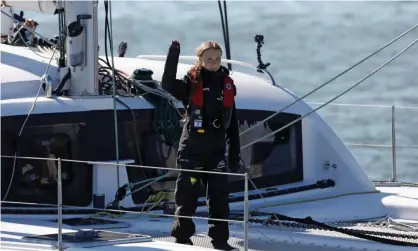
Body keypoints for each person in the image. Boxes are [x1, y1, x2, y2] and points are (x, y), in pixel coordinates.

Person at [161, 40, 241, 251]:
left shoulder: (227, 84)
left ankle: (220, 241)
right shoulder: (191, 82)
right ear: (201, 60)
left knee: (219, 198)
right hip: (192, 150)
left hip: (216, 151)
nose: (214, 62)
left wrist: (234, 155)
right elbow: (167, 85)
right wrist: (173, 53)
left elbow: (232, 124)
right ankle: (182, 238)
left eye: (217, 58)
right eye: (209, 59)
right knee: (187, 197)